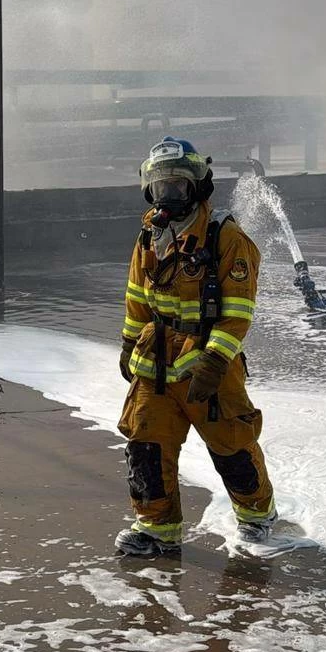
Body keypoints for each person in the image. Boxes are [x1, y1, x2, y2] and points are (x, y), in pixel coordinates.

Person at [116, 137, 277, 556]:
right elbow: (136, 297)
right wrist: (129, 342)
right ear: (149, 189)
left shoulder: (226, 237)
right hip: (155, 361)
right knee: (145, 444)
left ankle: (258, 517)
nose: (168, 196)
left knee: (232, 446)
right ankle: (157, 529)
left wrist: (215, 360)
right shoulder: (149, 236)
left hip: (208, 361)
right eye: (161, 187)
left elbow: (238, 311)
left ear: (198, 187)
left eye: (178, 187)